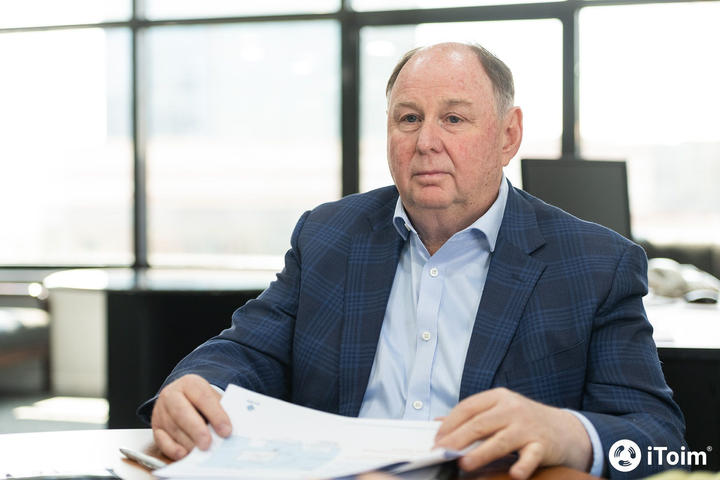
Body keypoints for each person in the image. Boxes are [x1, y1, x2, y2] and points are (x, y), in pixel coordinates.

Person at [138, 42, 686, 479]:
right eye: (408, 118)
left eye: (454, 119)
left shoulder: (596, 263)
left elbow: (660, 440)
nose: (426, 142)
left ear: (508, 135)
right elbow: (248, 350)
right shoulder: (329, 235)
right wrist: (197, 386)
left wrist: (565, 433)